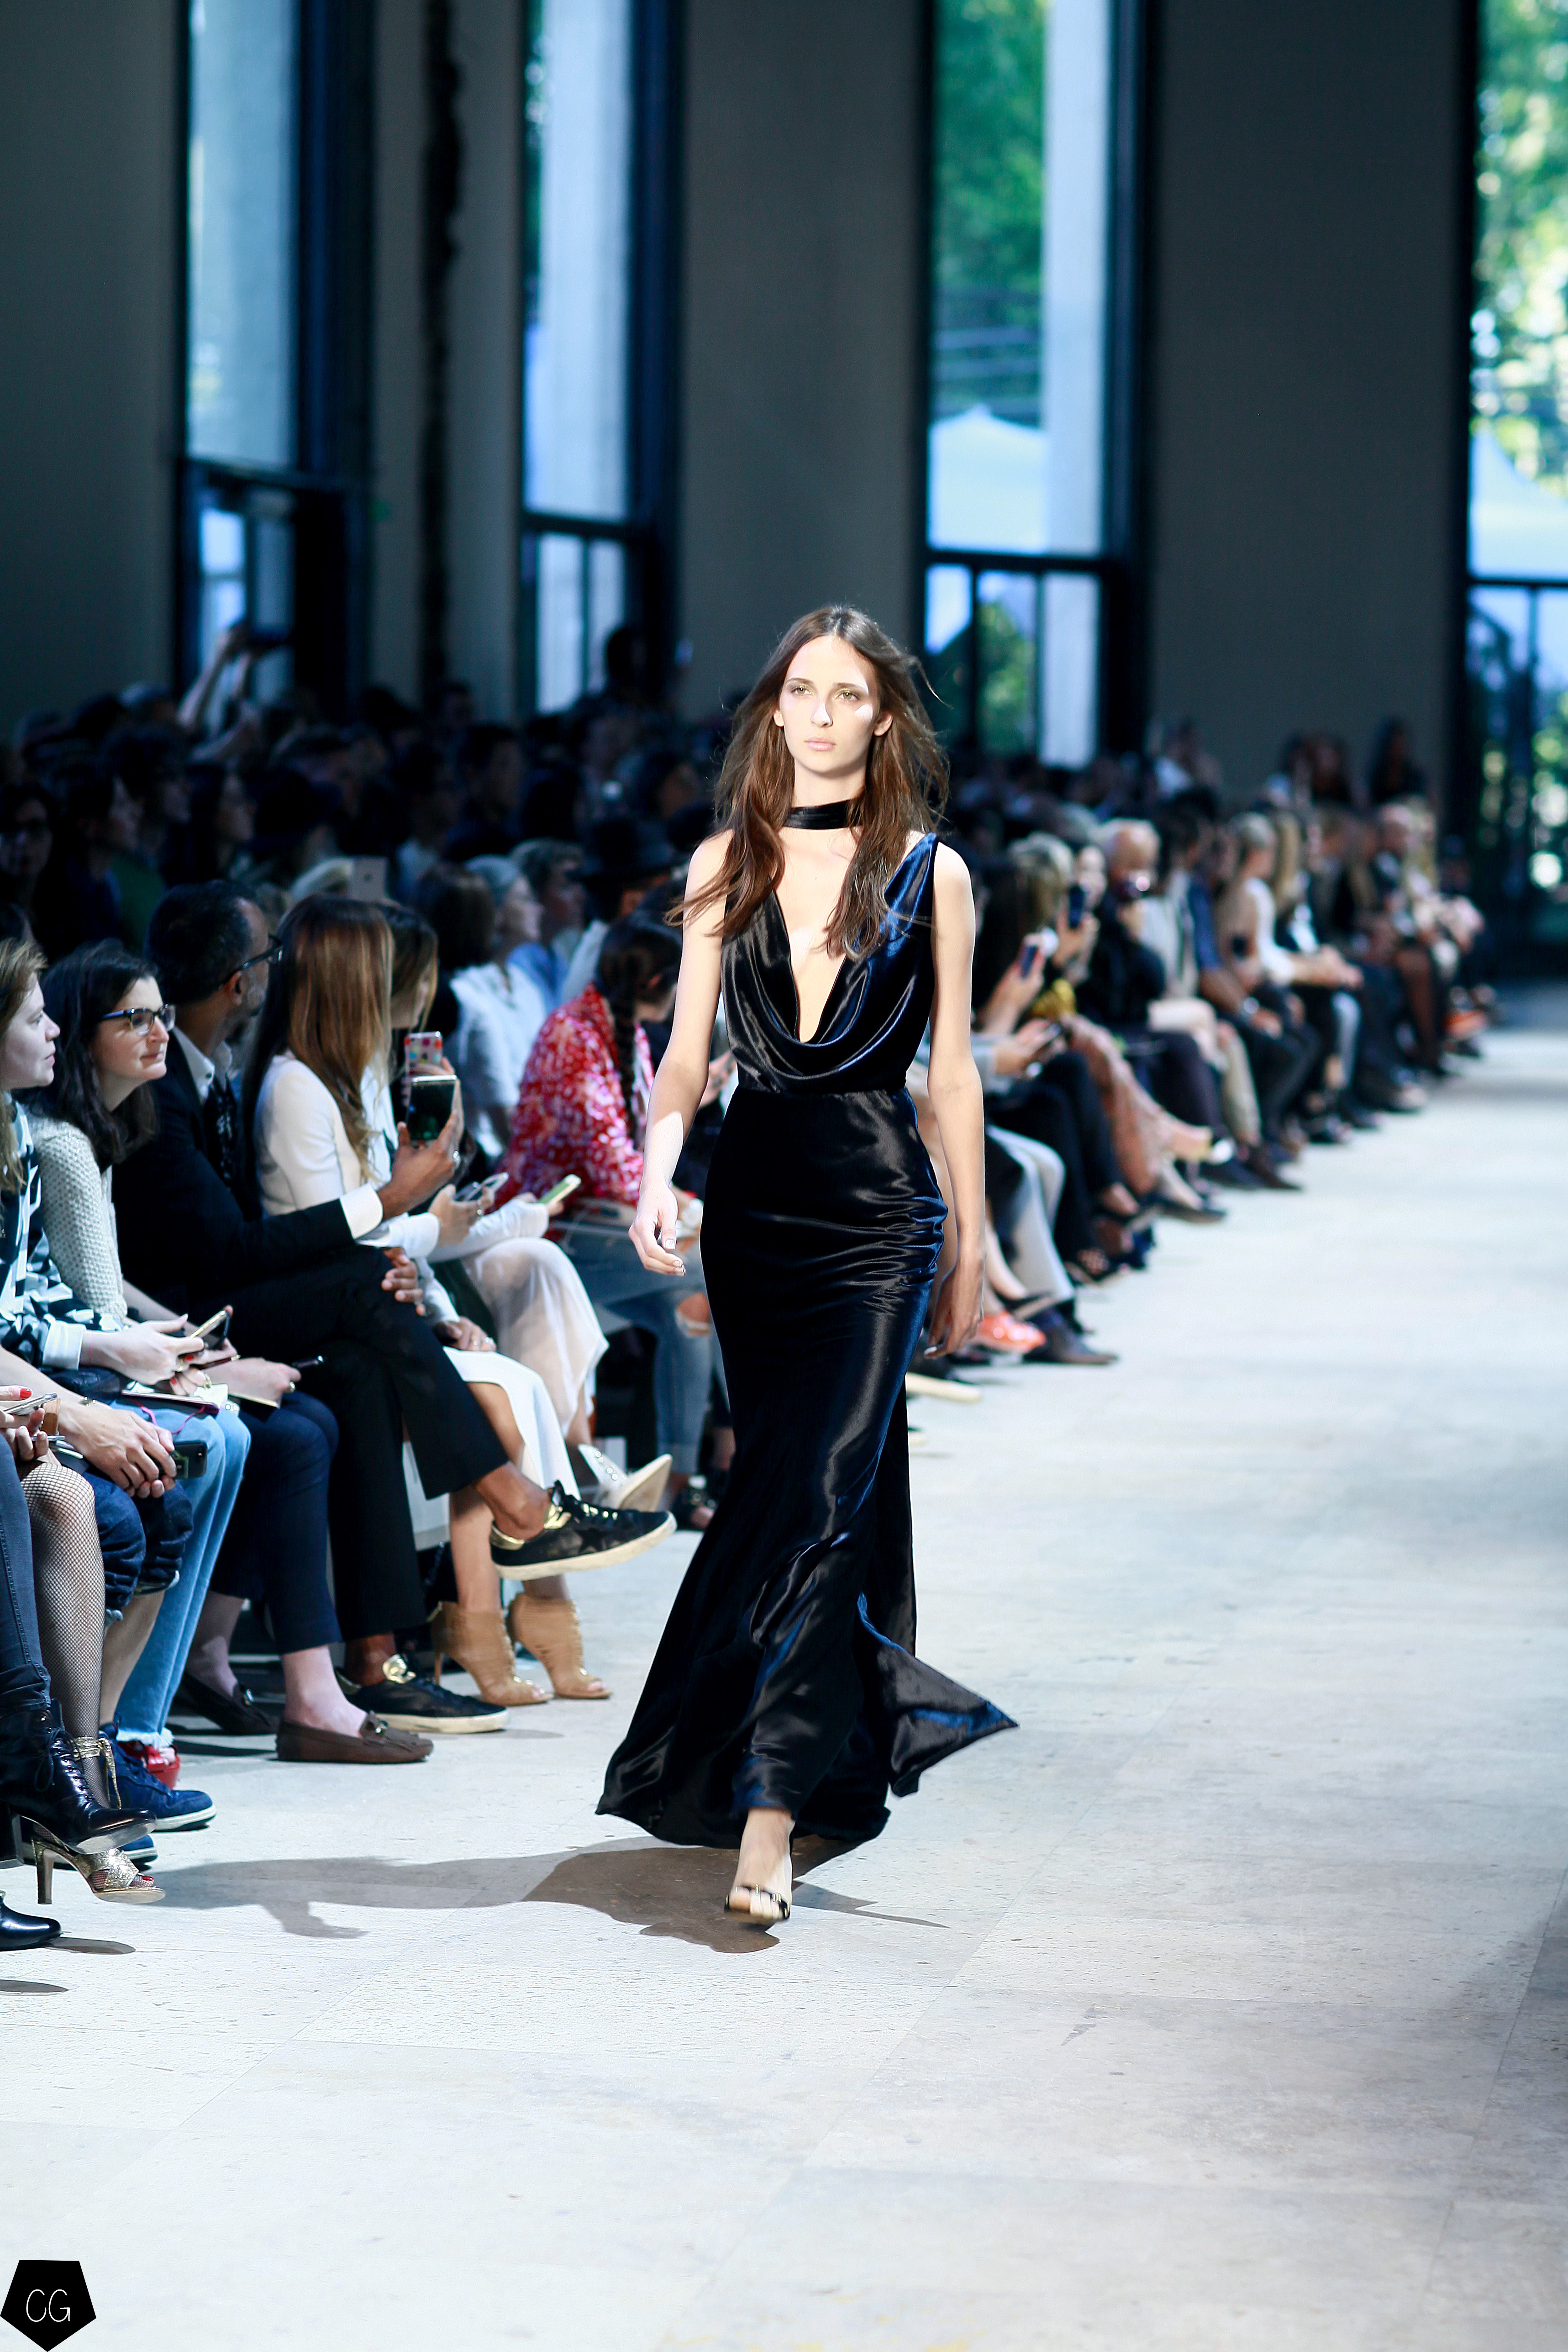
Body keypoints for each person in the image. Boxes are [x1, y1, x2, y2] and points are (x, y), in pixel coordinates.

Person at [600, 605, 1015, 1928]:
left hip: (882, 1213)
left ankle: (768, 1810)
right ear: (774, 710)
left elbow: (954, 1073)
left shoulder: (935, 874)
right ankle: (817, 1745)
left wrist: (977, 1240)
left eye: (845, 695)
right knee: (784, 1491)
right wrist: (657, 1172)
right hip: (757, 1210)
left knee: (829, 1492)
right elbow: (683, 1057)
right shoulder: (726, 860)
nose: (819, 715)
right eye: (798, 692)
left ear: (882, 717)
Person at [112, 882, 576, 1737]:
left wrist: (403, 1256)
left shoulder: (217, 1075)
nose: (275, 970)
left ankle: (373, 1656)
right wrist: (393, 1206)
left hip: (225, 1307)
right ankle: (512, 1497)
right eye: (265, 956)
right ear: (240, 982)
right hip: (183, 1326)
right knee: (367, 1299)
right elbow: (232, 1251)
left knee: (358, 1375)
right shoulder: (182, 1090)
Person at [246, 898, 672, 1704]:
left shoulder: (349, 1080)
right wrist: (425, 1224)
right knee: (501, 1391)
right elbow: (330, 1237)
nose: (401, 990)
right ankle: (515, 1576)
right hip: (331, 1318)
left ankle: (510, 1601)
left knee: (510, 1372)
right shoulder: (296, 1086)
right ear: (351, 983)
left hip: (374, 1300)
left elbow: (380, 1232)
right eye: (383, 972)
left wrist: (437, 1300)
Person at [32, 942, 422, 1765]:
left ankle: (193, 1680)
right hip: (70, 1375)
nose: (158, 1033)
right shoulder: (65, 1143)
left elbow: (113, 1292)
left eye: (161, 1015)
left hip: (101, 1355)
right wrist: (207, 1366)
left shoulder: (108, 1126)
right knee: (248, 1432)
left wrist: (191, 1343)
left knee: (300, 1419)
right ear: (79, 1027)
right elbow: (97, 1305)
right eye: (134, 1018)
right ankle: (141, 1723)